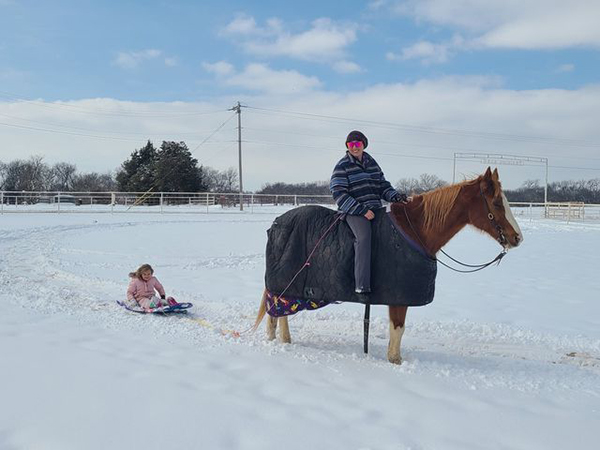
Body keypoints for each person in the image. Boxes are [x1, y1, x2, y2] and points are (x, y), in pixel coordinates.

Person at [330, 130, 409, 295]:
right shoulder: (342, 166)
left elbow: (382, 185)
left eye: (357, 144)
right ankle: (362, 285)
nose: (354, 147)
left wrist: (395, 197)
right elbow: (339, 193)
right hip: (353, 211)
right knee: (364, 238)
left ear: (363, 145)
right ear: (347, 146)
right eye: (351, 144)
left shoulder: (372, 163)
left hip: (375, 208)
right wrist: (361, 210)